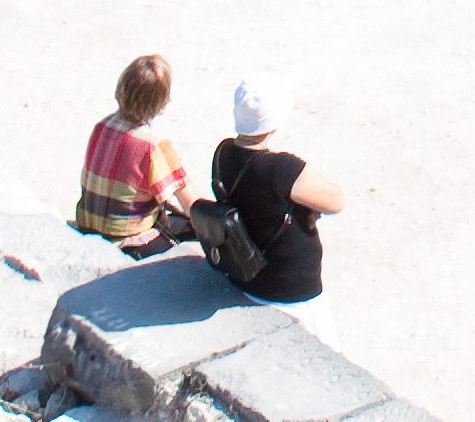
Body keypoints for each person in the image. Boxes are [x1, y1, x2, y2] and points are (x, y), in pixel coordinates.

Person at [199, 76, 345, 302]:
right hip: (289, 286)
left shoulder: (223, 152)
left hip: (244, 275)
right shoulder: (282, 168)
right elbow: (336, 201)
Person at [72, 53, 190, 259]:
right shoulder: (152, 146)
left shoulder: (101, 127)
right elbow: (191, 203)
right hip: (126, 241)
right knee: (192, 228)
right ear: (161, 102)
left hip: (88, 228)